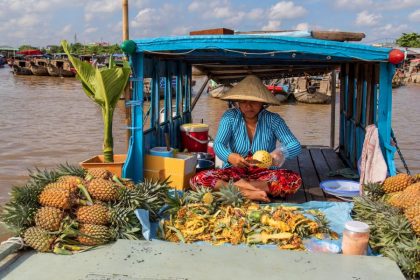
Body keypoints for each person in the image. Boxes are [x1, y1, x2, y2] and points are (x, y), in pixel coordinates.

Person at [190, 75, 302, 202]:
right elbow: (219, 144)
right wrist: (230, 156)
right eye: (243, 101)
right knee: (198, 179)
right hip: (234, 171)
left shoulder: (273, 120)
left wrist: (279, 154)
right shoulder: (230, 117)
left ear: (262, 102)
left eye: (253, 102)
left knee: (294, 180)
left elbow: (295, 145)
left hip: (264, 174)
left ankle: (239, 188)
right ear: (237, 102)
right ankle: (248, 193)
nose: (248, 106)